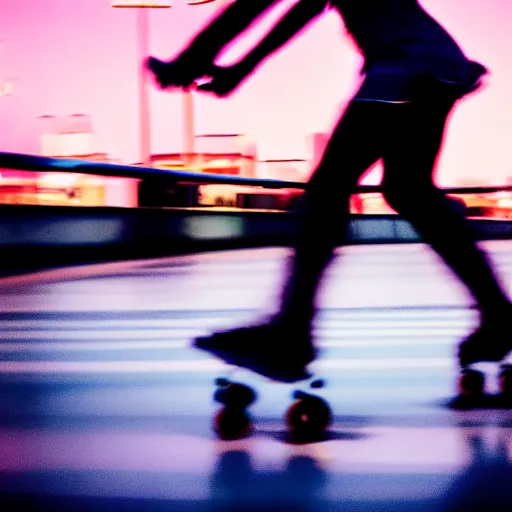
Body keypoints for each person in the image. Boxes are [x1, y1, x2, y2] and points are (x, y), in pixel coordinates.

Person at [147, 0, 512, 382]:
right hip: (439, 66)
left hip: (403, 68)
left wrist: (194, 63)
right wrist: (232, 66)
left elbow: (259, 9)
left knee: (327, 191)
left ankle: (291, 334)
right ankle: (498, 315)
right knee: (409, 190)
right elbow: (295, 10)